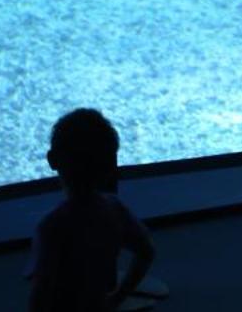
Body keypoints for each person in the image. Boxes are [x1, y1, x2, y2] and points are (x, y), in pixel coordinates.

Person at [28, 108, 156, 312]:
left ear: (52, 160)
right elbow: (147, 251)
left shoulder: (51, 227)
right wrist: (117, 298)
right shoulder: (116, 209)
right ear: (109, 168)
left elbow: (40, 295)